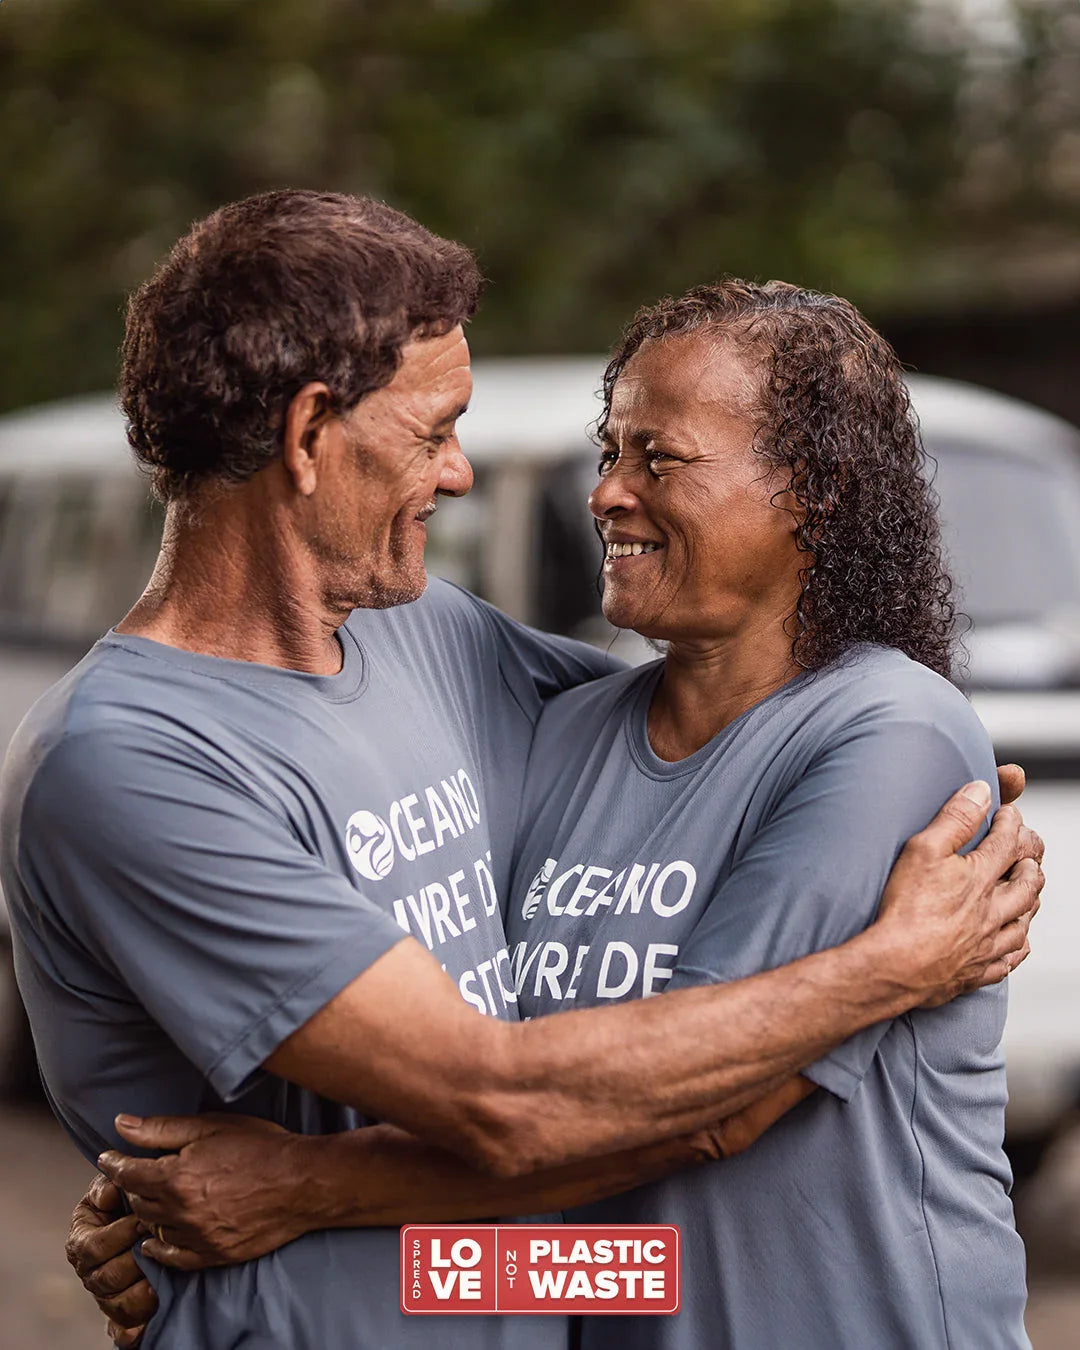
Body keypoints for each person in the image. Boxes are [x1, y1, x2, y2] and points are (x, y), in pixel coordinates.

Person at [4, 196, 1037, 1350]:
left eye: (659, 457)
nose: (462, 474)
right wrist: (206, 1249)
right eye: (436, 428)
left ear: (819, 493)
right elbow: (543, 1132)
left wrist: (301, 1193)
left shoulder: (431, 642)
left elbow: (683, 1134)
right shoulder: (135, 759)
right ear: (307, 437)